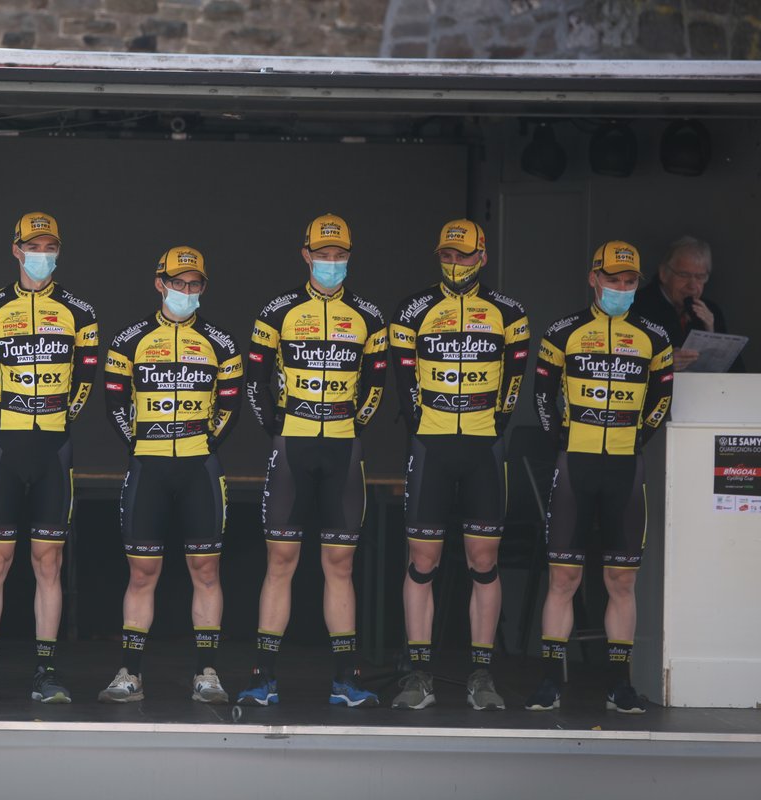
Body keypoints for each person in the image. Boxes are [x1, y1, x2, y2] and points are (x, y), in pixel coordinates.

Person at [236, 214, 388, 708]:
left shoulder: (368, 315)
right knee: (281, 561)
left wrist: (353, 425)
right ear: (306, 255)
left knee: (339, 564)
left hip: (343, 446)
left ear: (350, 257)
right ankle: (263, 677)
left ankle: (346, 679)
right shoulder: (277, 311)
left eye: (339, 255)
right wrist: (277, 428)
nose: (331, 262)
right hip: (293, 446)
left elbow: (378, 383)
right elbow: (255, 381)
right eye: (323, 254)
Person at [388, 219, 529, 711]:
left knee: (483, 561)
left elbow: (514, 381)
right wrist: (424, 424)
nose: (454, 263)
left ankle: (482, 673)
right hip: (431, 444)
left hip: (483, 446)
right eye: (447, 255)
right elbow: (404, 382)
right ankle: (419, 673)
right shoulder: (413, 309)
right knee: (422, 560)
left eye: (463, 255)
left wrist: (494, 424)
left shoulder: (509, 312)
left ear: (482, 256)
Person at [528, 240, 673, 714]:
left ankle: (619, 684)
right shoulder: (563, 331)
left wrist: (636, 438)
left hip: (625, 466)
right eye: (613, 279)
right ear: (594, 278)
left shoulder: (654, 336)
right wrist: (562, 440)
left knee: (622, 581)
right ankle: (550, 681)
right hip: (576, 464)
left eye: (630, 281)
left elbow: (661, 401)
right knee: (563, 577)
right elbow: (541, 397)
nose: (622, 288)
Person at [0, 212, 98, 704]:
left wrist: (60, 419)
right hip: (6, 444)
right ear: (16, 249)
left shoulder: (80, 312)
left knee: (49, 561)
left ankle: (46, 671)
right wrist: (0, 426)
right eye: (34, 246)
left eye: (50, 247)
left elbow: (85, 380)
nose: (42, 255)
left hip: (54, 446)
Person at [97, 246, 243, 704]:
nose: (186, 290)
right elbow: (114, 404)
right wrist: (141, 443)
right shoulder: (130, 340)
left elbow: (231, 406)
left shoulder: (221, 342)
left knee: (206, 570)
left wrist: (204, 442)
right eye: (178, 283)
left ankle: (207, 673)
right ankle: (130, 673)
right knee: (142, 573)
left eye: (194, 284)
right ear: (159, 283)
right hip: (149, 465)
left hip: (200, 466)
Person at [631, 236, 742, 372]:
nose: (692, 285)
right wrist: (664, 362)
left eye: (700, 277)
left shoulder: (711, 311)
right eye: (684, 275)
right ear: (664, 273)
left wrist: (711, 333)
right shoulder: (636, 305)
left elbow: (737, 372)